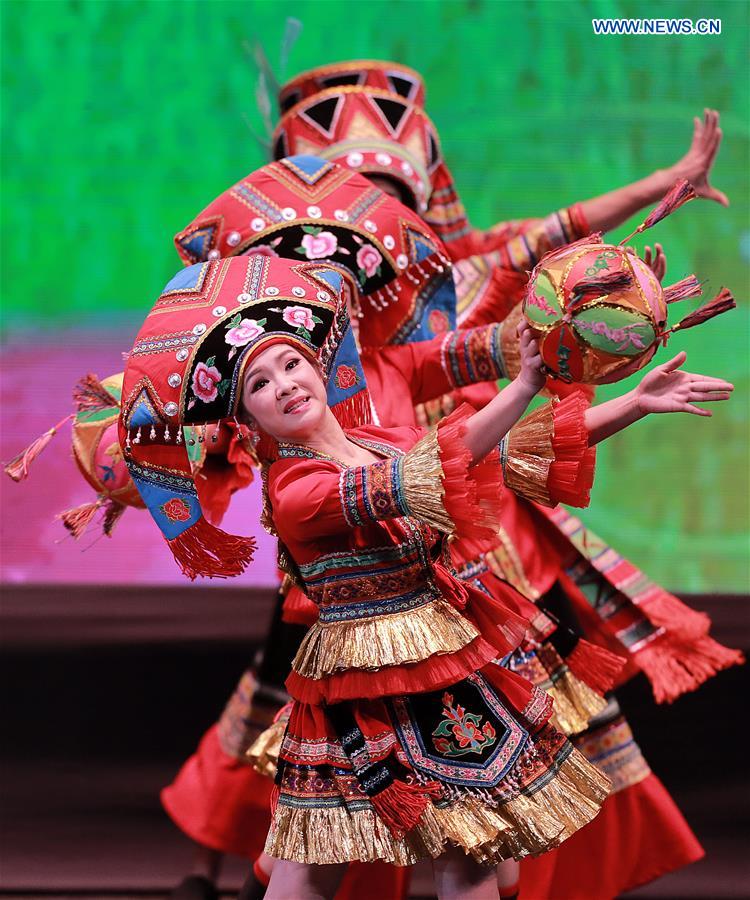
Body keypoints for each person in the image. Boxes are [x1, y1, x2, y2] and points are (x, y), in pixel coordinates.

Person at [120, 254, 733, 900]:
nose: (285, 384)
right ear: (247, 420)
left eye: (291, 363)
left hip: (442, 667)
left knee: (472, 854)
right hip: (359, 696)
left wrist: (634, 403)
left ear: (319, 367)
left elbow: (511, 451)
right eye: (260, 385)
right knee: (310, 872)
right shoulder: (295, 487)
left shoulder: (384, 438)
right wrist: (521, 385)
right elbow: (433, 470)